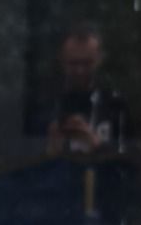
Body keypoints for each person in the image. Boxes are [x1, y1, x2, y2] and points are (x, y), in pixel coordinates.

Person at [44, 21, 125, 156]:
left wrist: (95, 145)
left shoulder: (116, 106)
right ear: (62, 60)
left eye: (87, 63)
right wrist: (50, 149)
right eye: (73, 63)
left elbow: (130, 165)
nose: (80, 71)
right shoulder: (46, 105)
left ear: (99, 60)